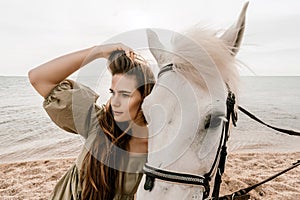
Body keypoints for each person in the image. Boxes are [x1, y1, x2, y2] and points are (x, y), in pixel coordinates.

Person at [28, 43, 155, 200]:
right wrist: (98, 51)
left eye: (125, 94)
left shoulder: (156, 149)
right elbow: (39, 78)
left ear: (146, 97)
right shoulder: (98, 123)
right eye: (112, 92)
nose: (114, 102)